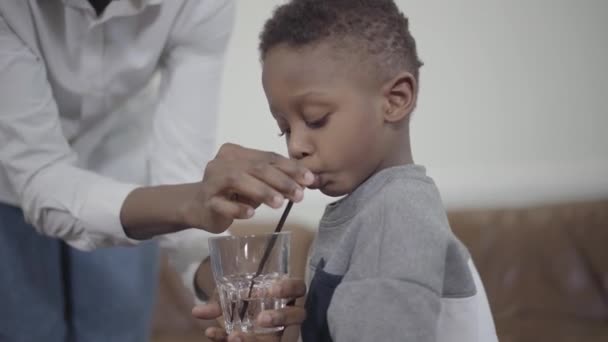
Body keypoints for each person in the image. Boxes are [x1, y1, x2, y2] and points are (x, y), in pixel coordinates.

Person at [0, 1, 308, 341]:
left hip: (129, 182)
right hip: (9, 181)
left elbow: (183, 177)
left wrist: (225, 280)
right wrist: (190, 200)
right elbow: (41, 176)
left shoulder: (200, 5)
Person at [207, 0, 499, 341]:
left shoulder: (398, 212)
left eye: (316, 119)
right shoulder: (369, 212)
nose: (295, 145)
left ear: (395, 100)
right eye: (284, 128)